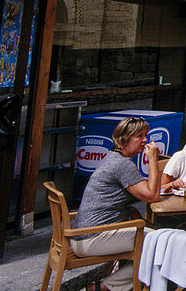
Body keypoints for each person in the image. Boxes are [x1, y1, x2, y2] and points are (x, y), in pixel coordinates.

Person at [71, 116, 161, 291]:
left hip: (85, 235)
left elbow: (143, 188)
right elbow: (152, 195)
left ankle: (117, 285)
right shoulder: (122, 165)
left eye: (145, 135)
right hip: (91, 238)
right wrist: (152, 160)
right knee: (157, 242)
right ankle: (103, 287)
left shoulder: (115, 158)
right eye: (140, 136)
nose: (145, 140)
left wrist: (169, 184)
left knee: (152, 238)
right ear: (124, 139)